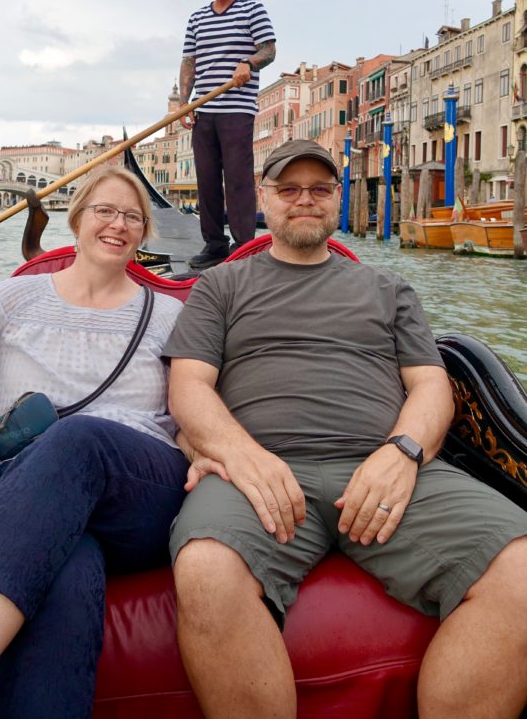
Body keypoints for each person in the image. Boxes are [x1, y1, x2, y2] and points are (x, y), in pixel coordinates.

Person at [165, 138, 527, 719]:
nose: (304, 199)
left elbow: (431, 386)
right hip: (261, 473)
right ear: (264, 198)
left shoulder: (389, 289)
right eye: (288, 189)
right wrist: (242, 455)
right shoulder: (221, 287)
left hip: (387, 469)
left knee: (522, 567)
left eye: (319, 189)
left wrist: (402, 453)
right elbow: (188, 386)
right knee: (207, 569)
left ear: (338, 198)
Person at [0, 164, 216, 719]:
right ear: (77, 219)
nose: (118, 224)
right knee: (67, 565)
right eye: (104, 211)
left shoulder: (169, 315)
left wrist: (204, 449)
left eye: (132, 217)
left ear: (143, 233)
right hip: (35, 498)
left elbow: (196, 406)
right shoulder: (18, 298)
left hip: (142, 493)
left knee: (78, 438)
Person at [179, 0, 276, 270]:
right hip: (203, 109)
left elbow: (269, 50)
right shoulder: (197, 18)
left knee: (237, 179)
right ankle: (214, 245)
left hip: (237, 107)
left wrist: (249, 62)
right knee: (206, 180)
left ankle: (244, 246)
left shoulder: (252, 9)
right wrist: (183, 103)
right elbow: (189, 61)